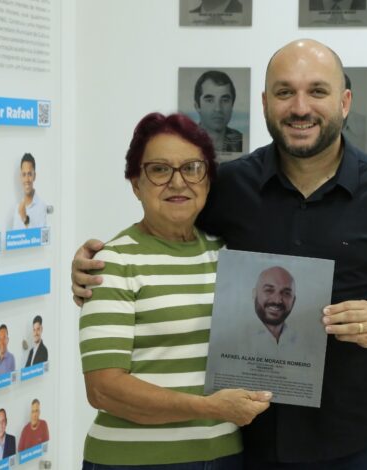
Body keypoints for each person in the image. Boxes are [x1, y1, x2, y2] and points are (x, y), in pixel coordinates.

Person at [73, 39, 367, 468]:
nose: (300, 107)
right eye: (285, 92)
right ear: (265, 102)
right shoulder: (229, 188)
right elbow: (168, 239)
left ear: (345, 101)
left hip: (358, 440)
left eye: (318, 91)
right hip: (250, 442)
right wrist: (91, 265)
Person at [78, 112, 271, 468]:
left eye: (192, 168)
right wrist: (210, 408)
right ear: (136, 182)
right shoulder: (112, 263)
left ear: (208, 180)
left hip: (225, 457)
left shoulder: (228, 257)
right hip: (134, 461)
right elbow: (103, 389)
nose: (178, 182)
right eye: (159, 170)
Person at [194, 70, 244, 153]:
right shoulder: (186, 141)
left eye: (225, 100)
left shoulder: (240, 140)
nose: (218, 108)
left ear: (232, 105)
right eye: (209, 100)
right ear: (197, 106)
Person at [252, 266, 297, 344]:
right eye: (269, 290)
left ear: (293, 300)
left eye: (286, 293)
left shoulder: (301, 342)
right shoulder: (234, 339)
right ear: (254, 294)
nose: (277, 301)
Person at [11, 153, 47, 230]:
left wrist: (25, 219)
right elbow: (14, 240)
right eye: (24, 174)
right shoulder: (18, 208)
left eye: (30, 174)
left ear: (34, 176)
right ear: (21, 177)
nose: (27, 179)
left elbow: (42, 240)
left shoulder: (42, 207)